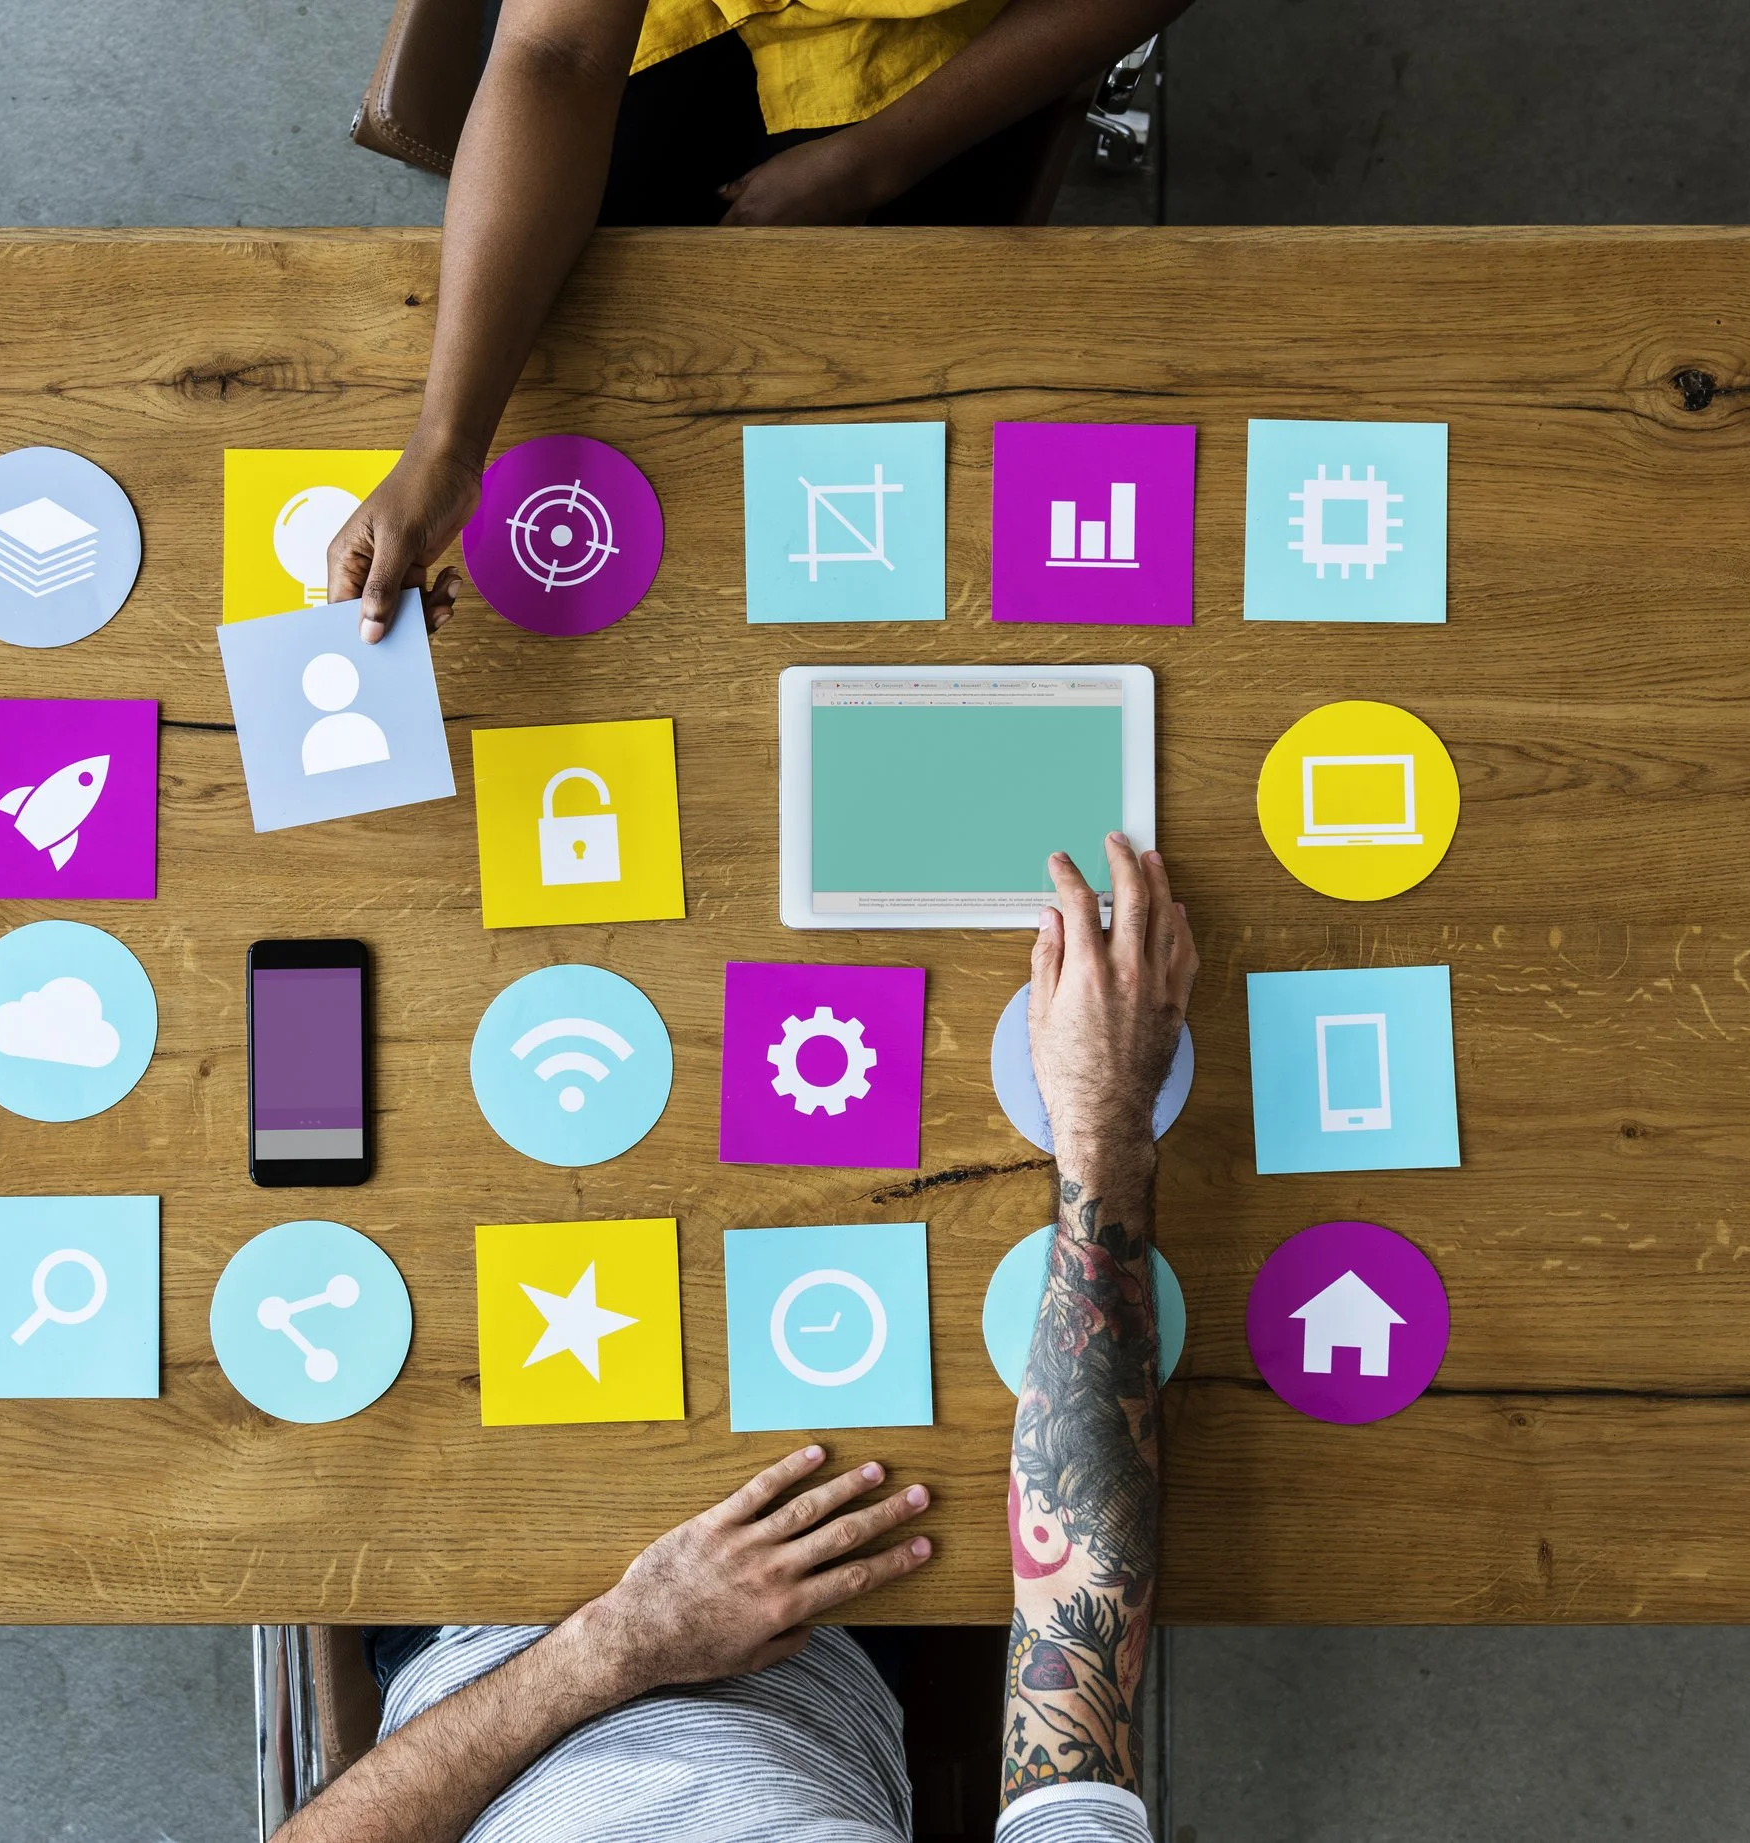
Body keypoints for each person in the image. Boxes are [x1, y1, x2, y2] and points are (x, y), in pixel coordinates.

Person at [272, 834, 1195, 1843]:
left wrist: (617, 1644)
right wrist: (1103, 1121)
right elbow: (1080, 1602)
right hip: (815, 1614)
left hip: (478, 1643)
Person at [327, 0, 1194, 642]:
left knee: (897, 437)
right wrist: (446, 447)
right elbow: (558, 51)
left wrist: (870, 164)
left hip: (938, 44)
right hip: (662, 20)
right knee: (593, 342)